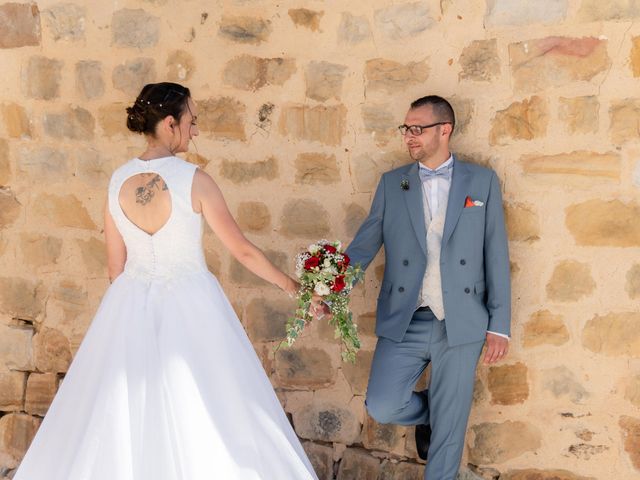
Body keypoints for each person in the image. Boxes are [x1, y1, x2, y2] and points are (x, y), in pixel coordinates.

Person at [14, 82, 318, 480]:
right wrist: (296, 288)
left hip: (129, 301)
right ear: (170, 123)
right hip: (192, 301)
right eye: (192, 121)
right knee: (209, 403)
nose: (196, 130)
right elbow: (241, 250)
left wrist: (127, 315)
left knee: (125, 409)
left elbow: (114, 268)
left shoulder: (116, 181)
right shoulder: (195, 179)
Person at [343, 95, 511, 479]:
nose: (409, 137)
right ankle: (432, 412)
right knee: (383, 405)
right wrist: (331, 289)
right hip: (407, 316)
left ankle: (444, 423)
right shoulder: (392, 183)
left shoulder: (481, 181)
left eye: (417, 129)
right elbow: (363, 247)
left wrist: (499, 324)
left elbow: (495, 252)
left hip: (462, 319)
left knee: (450, 436)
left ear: (444, 130)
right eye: (406, 129)